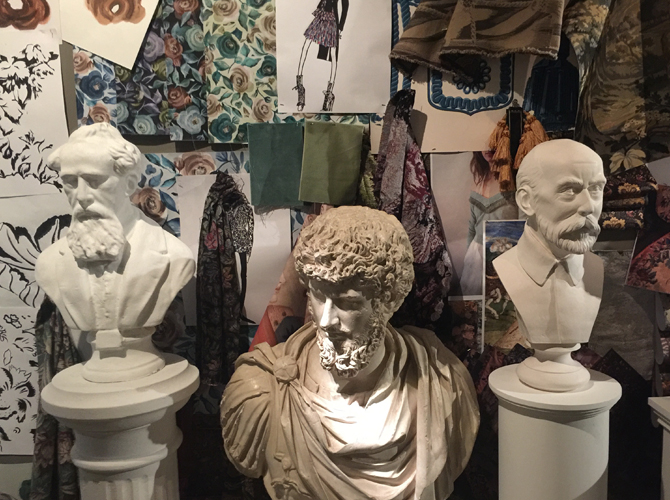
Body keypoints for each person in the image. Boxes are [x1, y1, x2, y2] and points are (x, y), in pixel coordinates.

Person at [221, 206, 479, 500]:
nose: (326, 320)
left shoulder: (446, 387)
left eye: (347, 302)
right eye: (318, 296)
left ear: (388, 301)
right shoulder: (261, 392)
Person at [35, 123, 194, 356]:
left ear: (129, 183)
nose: (81, 196)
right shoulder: (49, 264)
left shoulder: (174, 256)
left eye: (94, 181)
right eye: (70, 182)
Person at [493, 139, 606, 346]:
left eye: (596, 188)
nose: (589, 206)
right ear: (527, 201)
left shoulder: (596, 268)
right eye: (569, 190)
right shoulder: (505, 267)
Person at [460, 151, 517, 295]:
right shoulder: (479, 181)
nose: (487, 148)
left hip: (507, 255)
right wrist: (469, 259)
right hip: (476, 257)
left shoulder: (516, 180)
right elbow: (472, 227)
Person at [293, 0, 349, 112]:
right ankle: (300, 89)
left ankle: (329, 95)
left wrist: (340, 28)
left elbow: (345, 5)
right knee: (306, 45)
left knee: (333, 54)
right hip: (321, 16)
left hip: (332, 20)